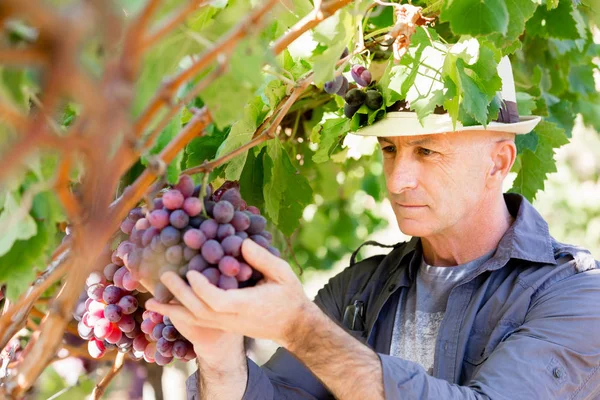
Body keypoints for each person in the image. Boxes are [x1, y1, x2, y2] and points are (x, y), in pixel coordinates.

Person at [145, 56, 600, 400]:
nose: (398, 179)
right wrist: (219, 350)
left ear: (498, 162)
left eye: (426, 151)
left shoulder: (576, 297)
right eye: (389, 150)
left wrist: (299, 327)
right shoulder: (358, 291)